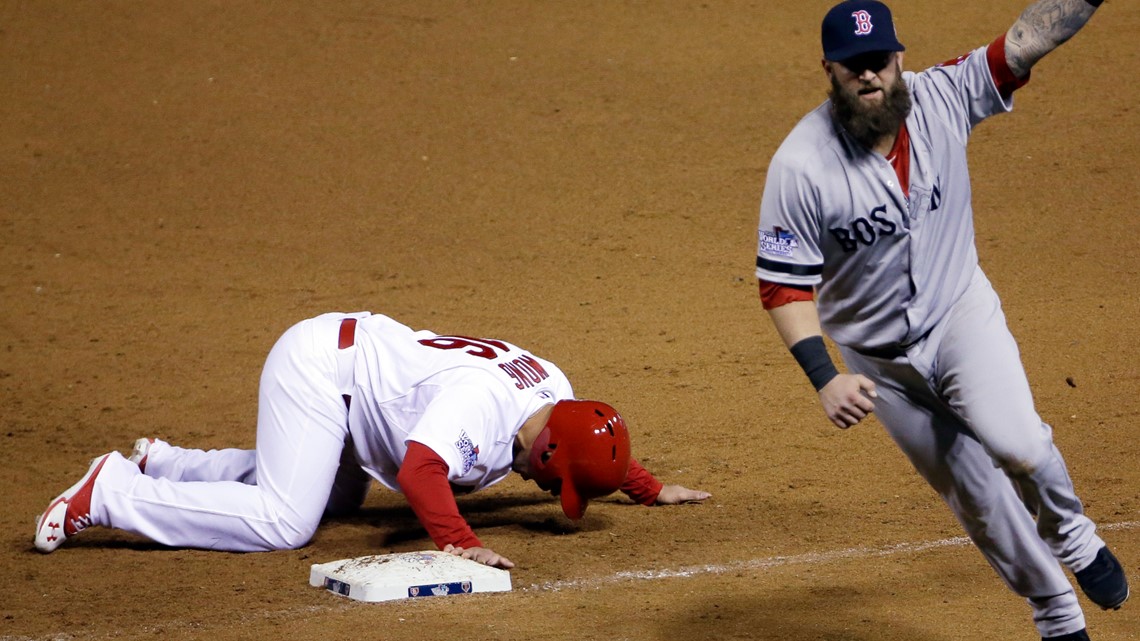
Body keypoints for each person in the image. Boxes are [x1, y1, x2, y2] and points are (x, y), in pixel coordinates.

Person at [753, 1, 1126, 639]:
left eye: (879, 62)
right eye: (853, 68)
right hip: (881, 366)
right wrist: (825, 377)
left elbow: (1025, 41)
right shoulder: (801, 165)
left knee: (1022, 447)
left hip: (960, 318)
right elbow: (783, 286)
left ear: (899, 59)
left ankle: (1074, 535)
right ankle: (1057, 615)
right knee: (980, 502)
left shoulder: (944, 96)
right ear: (830, 71)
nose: (869, 76)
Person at [34, 311, 710, 568]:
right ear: (548, 453)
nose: (546, 489)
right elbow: (420, 472)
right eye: (555, 481)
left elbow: (587, 439)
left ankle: (169, 465)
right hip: (322, 371)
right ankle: (114, 492)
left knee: (335, 494)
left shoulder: (556, 400)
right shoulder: (482, 407)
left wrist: (647, 486)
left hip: (359, 389)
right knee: (284, 521)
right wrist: (461, 544)